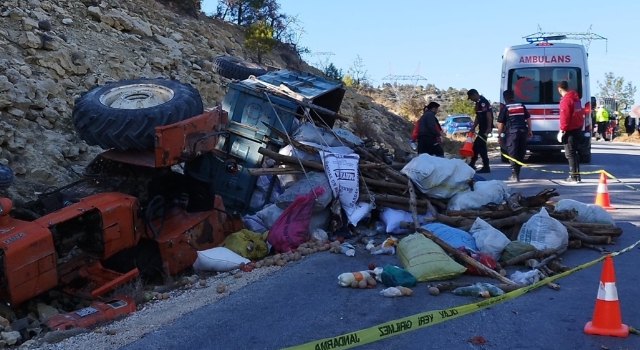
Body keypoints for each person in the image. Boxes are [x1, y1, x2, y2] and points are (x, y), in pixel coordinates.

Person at [497, 89, 532, 182]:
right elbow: (528, 118)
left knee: (512, 152)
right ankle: (517, 173)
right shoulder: (521, 105)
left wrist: (499, 135)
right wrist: (530, 130)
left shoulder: (505, 107)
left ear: (505, 98)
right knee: (521, 152)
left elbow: (500, 123)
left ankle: (514, 174)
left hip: (512, 132)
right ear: (513, 96)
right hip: (523, 131)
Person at [557, 81, 584, 183]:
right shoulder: (576, 99)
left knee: (570, 154)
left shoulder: (566, 100)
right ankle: (577, 176)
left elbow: (565, 116)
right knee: (574, 153)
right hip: (577, 128)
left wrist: (562, 130)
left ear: (559, 89)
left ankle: (573, 176)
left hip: (570, 129)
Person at [467, 89, 493, 173]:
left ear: (474, 95)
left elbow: (488, 115)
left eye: (471, 97)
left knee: (481, 146)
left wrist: (489, 127)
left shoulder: (483, 102)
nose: (471, 99)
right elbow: (478, 117)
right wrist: (473, 127)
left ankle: (486, 166)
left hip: (485, 127)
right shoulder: (478, 103)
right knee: (476, 146)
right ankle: (472, 164)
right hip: (482, 127)